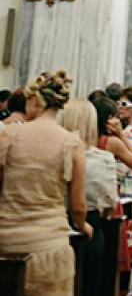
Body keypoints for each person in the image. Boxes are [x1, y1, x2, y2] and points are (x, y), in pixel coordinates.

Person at [0, 70, 91, 296]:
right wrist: (83, 226)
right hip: (49, 244)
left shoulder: (8, 135)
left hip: (6, 242)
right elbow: (78, 206)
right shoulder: (72, 143)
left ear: (35, 100)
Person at [62, 98, 117, 296]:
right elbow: (109, 202)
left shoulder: (53, 155)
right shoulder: (103, 159)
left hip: (56, 223)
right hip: (90, 225)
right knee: (89, 284)